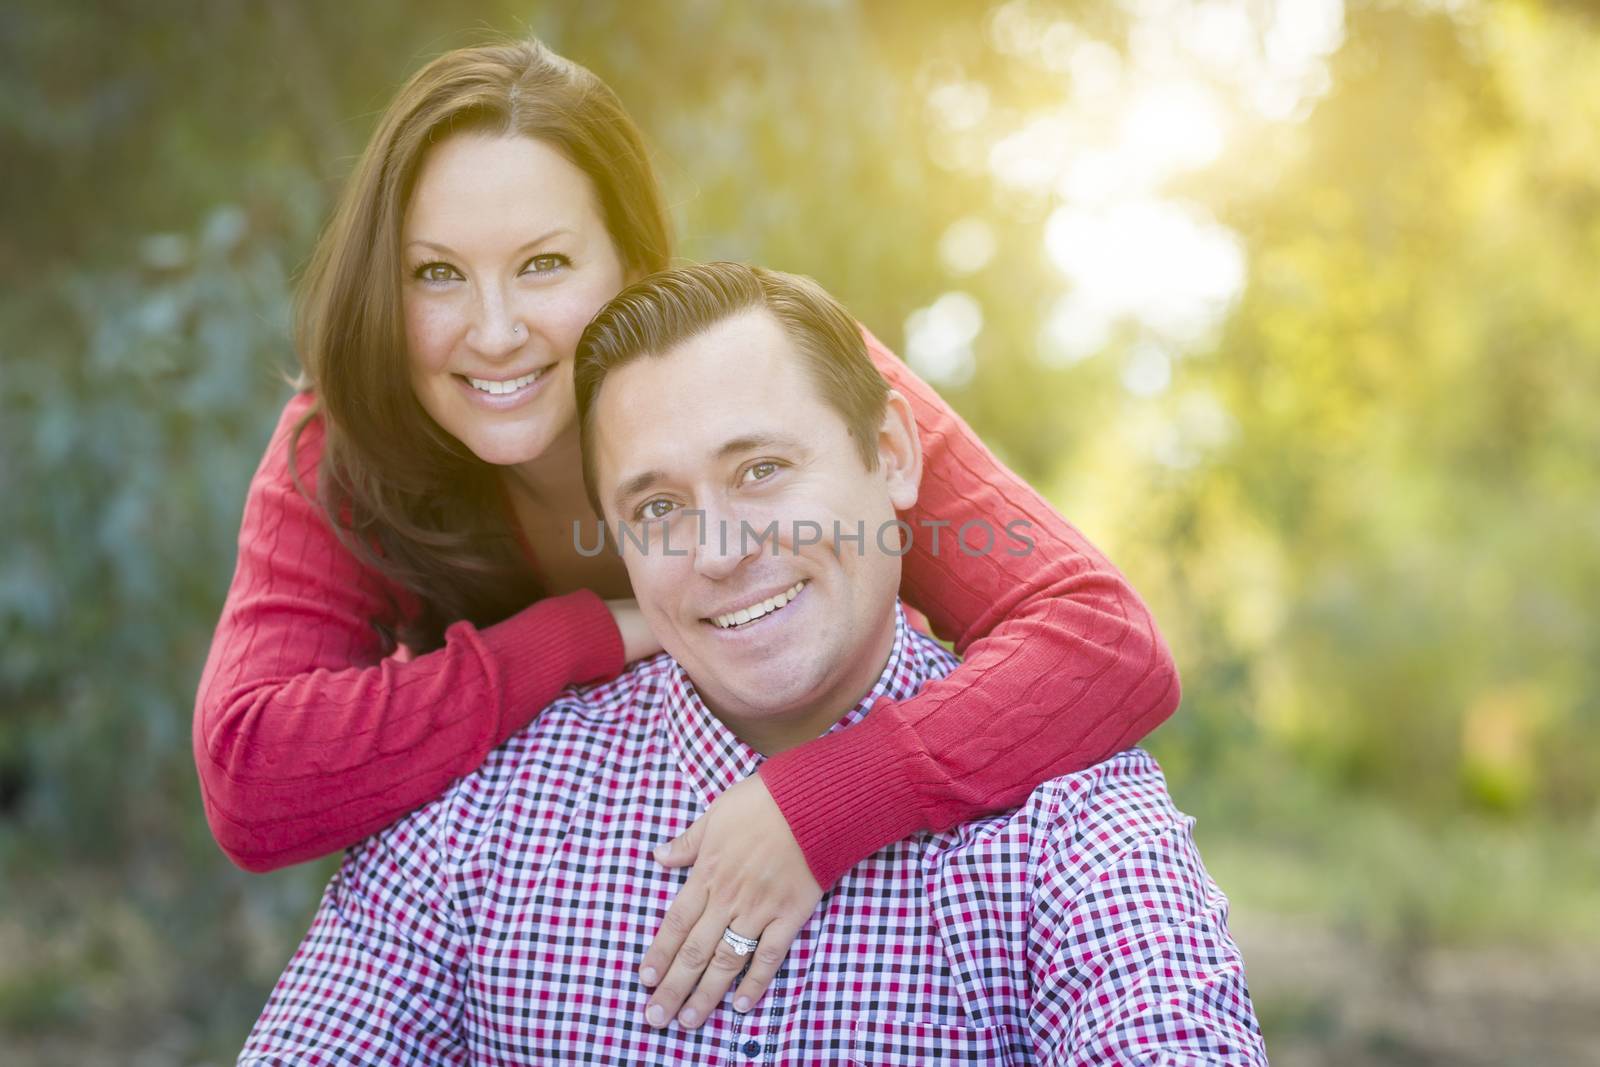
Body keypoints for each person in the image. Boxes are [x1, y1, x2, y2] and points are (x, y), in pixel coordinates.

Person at [194, 38, 1181, 1028]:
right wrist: (589, 633)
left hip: (874, 868)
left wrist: (827, 802)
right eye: (436, 274)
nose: (492, 332)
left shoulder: (780, 384)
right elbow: (253, 777)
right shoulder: (347, 449)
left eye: (542, 264)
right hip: (567, 888)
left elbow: (1102, 638)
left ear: (631, 262)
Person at [239, 263, 1263, 1065]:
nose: (721, 548)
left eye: (762, 470)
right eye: (659, 506)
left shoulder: (1075, 824)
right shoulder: (479, 814)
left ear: (894, 455)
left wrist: (834, 798)